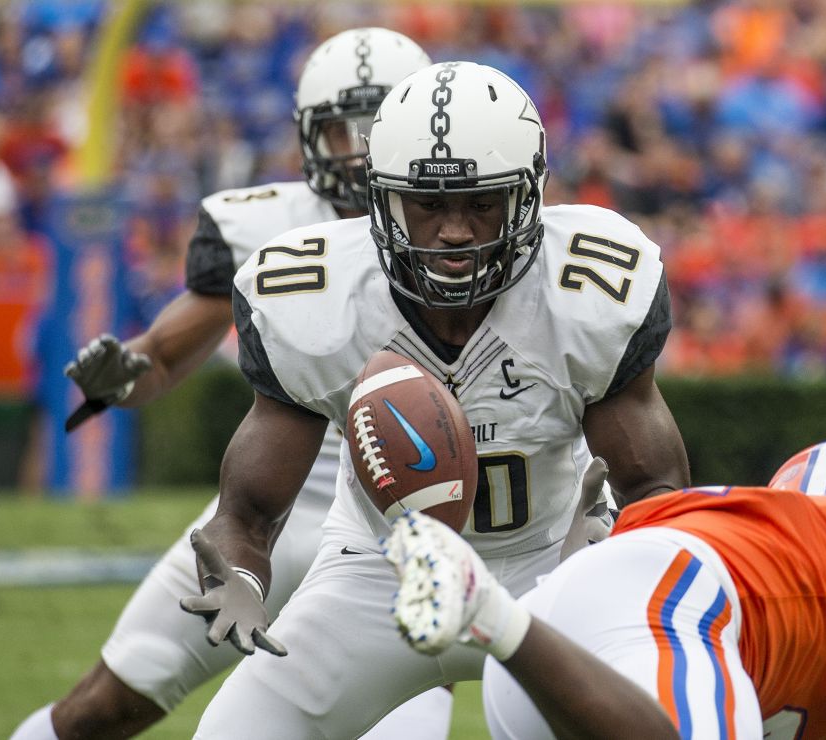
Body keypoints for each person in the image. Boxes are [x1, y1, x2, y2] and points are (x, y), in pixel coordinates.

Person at [179, 61, 689, 738]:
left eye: (481, 204)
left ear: (529, 196)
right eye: (428, 204)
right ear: (383, 201)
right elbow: (247, 512)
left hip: (554, 562)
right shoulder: (318, 300)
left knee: (667, 723)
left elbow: (658, 491)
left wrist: (616, 551)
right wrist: (242, 580)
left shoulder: (586, 288)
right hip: (379, 569)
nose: (454, 231)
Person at [10, 28, 446, 740]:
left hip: (394, 523)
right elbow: (164, 358)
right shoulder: (263, 225)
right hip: (273, 501)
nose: (362, 150)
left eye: (379, 124)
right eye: (345, 128)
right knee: (108, 702)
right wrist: (128, 374)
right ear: (311, 135)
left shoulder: (466, 225)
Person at [386, 439, 826, 739]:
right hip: (669, 609)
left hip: (560, 658)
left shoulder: (758, 543)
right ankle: (490, 611)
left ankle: (508, 625)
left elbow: (602, 587)